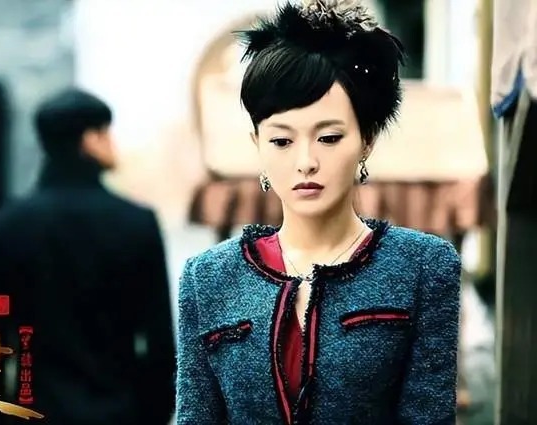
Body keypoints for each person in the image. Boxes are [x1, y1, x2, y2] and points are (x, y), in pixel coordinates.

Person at [175, 1, 461, 424]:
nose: (305, 162)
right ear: (257, 145)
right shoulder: (208, 278)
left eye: (328, 138)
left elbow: (429, 416)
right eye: (281, 141)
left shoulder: (423, 267)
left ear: (366, 140)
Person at [0, 89, 175, 425]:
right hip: (119, 412)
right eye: (106, 132)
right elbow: (159, 339)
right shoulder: (136, 222)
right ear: (90, 140)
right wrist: (151, 413)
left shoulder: (7, 226)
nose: (112, 142)